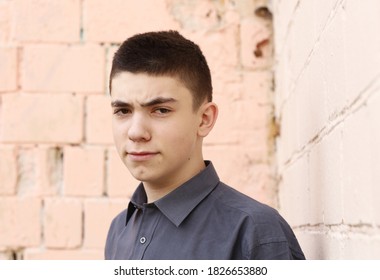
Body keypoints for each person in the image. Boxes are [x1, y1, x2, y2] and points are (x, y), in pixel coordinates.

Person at [105, 30, 305, 260]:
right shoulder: (119, 230)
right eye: (122, 111)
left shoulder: (254, 232)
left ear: (204, 119)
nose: (136, 132)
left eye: (161, 110)